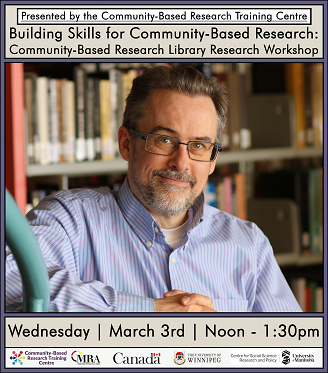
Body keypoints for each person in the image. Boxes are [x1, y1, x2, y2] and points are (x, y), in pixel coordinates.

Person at [6, 66, 302, 312]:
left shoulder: (248, 245)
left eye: (199, 146)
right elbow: (12, 282)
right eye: (164, 140)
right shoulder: (70, 219)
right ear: (126, 143)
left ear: (212, 160)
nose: (181, 163)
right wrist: (147, 312)